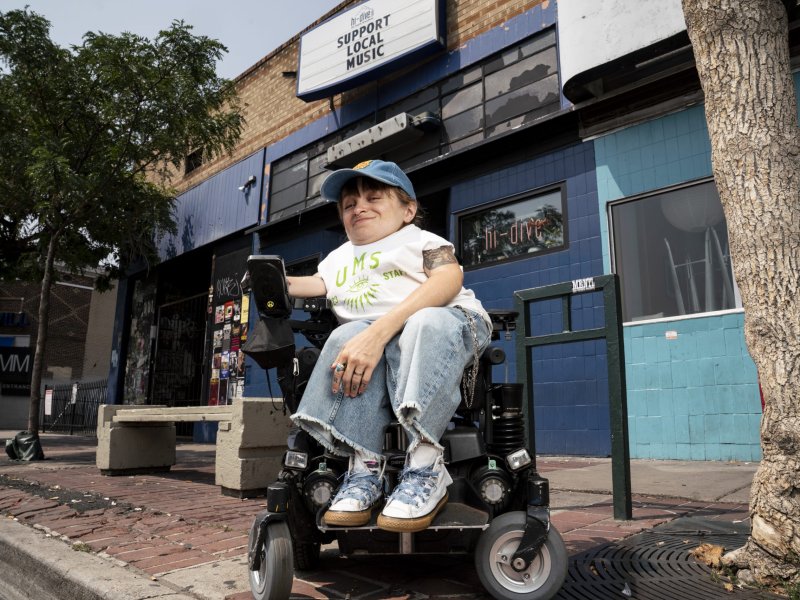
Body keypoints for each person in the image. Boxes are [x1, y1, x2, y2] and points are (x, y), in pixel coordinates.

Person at [286, 159, 491, 533]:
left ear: (408, 210)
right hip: (377, 337)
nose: (358, 207)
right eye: (348, 204)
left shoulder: (421, 241)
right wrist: (269, 278)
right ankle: (365, 468)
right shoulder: (338, 258)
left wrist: (381, 331)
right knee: (343, 337)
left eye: (373, 197)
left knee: (421, 323)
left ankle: (426, 465)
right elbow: (311, 285)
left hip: (449, 322)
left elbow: (447, 279)